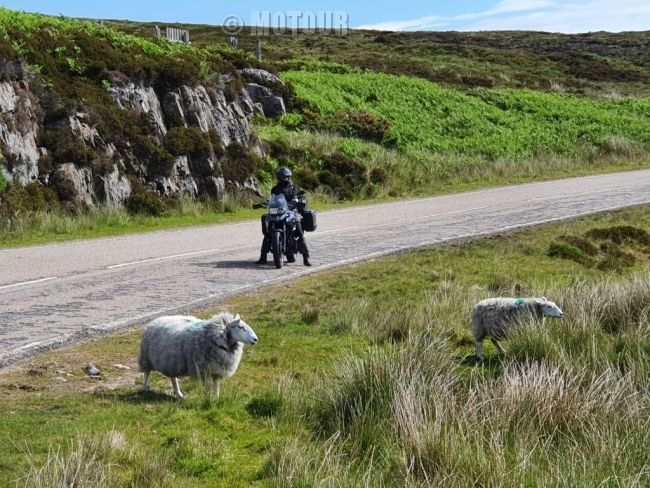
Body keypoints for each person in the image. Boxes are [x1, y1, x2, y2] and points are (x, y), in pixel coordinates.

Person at [255, 167, 312, 266]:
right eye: (283, 176)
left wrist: (297, 203)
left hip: (291, 210)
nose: (286, 178)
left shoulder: (293, 188)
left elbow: (298, 199)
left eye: (287, 176)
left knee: (298, 225)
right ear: (279, 177)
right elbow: (273, 200)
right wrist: (267, 203)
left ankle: (305, 257)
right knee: (268, 230)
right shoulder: (275, 189)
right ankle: (263, 257)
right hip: (278, 211)